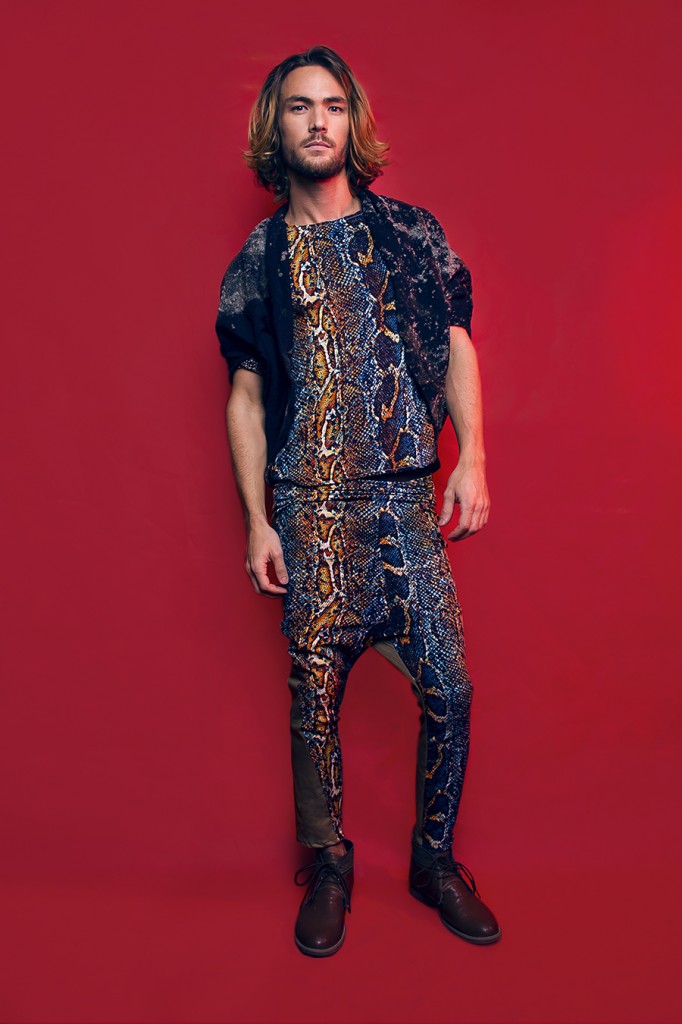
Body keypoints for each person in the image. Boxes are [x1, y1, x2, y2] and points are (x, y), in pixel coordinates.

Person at [215, 44, 501, 956]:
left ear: (353, 122)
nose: (317, 122)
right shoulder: (259, 259)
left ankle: (433, 860)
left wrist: (473, 458)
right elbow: (247, 395)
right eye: (300, 107)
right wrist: (258, 518)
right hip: (312, 506)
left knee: (449, 687)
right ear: (277, 127)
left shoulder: (410, 234)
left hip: (405, 499)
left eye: (333, 106)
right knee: (315, 696)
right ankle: (331, 862)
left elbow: (456, 340)